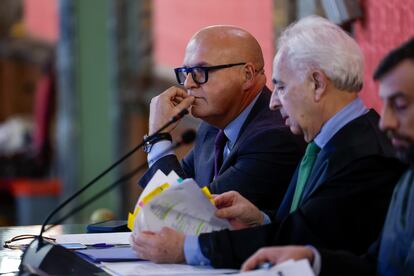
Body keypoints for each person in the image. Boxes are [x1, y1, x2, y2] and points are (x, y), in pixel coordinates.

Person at [130, 16, 406, 268]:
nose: (273, 101)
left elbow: (302, 237)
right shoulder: (325, 141)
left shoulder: (364, 155)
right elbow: (302, 226)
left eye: (282, 87)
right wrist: (260, 218)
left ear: (317, 84)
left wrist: (189, 248)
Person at [242, 38, 414, 276]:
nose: (386, 122)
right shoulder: (409, 181)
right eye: (386, 105)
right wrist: (314, 260)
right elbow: (378, 266)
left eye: (401, 105)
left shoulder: (371, 157)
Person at [139, 25, 305, 211]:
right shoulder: (211, 128)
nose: (188, 83)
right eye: (186, 72)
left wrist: (158, 138)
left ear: (247, 75)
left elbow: (189, 217)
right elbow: (158, 205)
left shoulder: (274, 137)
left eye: (201, 71)